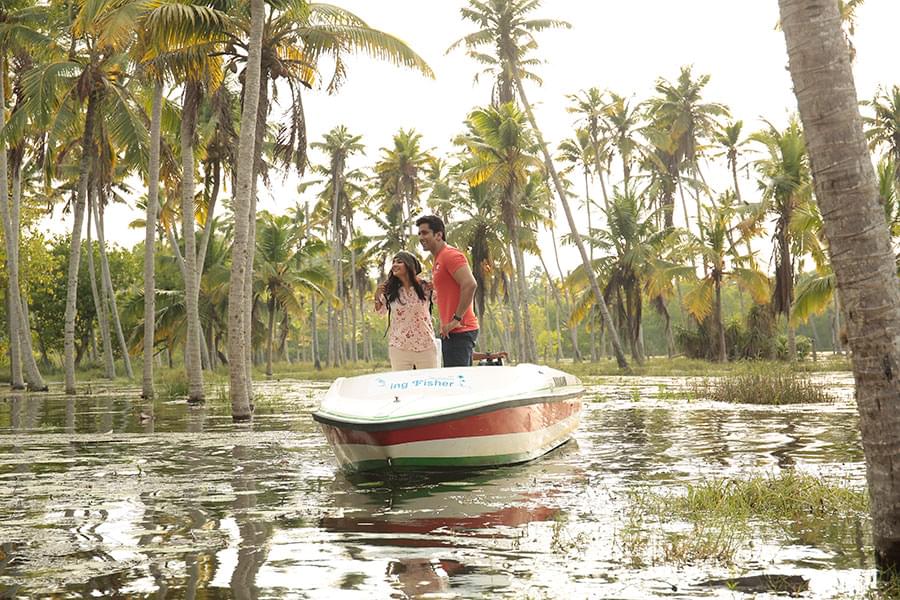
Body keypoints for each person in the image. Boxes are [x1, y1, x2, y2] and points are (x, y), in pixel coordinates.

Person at [415, 215, 479, 367]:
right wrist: (434, 286)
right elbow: (452, 286)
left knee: (458, 385)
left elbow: (470, 284)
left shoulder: (450, 255)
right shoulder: (439, 259)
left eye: (425, 233)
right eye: (419, 234)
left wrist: (456, 320)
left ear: (438, 235)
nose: (421, 237)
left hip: (460, 329)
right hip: (452, 331)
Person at [374, 251, 438, 371]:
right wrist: (377, 296)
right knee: (401, 387)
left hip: (425, 345)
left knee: (428, 386)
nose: (394, 265)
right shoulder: (390, 291)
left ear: (410, 265)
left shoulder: (426, 287)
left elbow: (442, 300)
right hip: (399, 347)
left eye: (399, 262)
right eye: (393, 262)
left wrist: (437, 287)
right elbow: (380, 312)